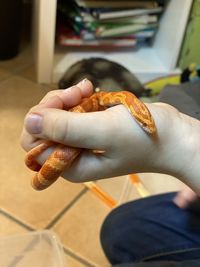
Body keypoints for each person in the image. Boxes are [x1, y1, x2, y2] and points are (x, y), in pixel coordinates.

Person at [21, 79, 200, 266]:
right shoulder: (126, 100)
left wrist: (184, 146)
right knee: (118, 228)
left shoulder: (137, 110)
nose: (150, 129)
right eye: (145, 125)